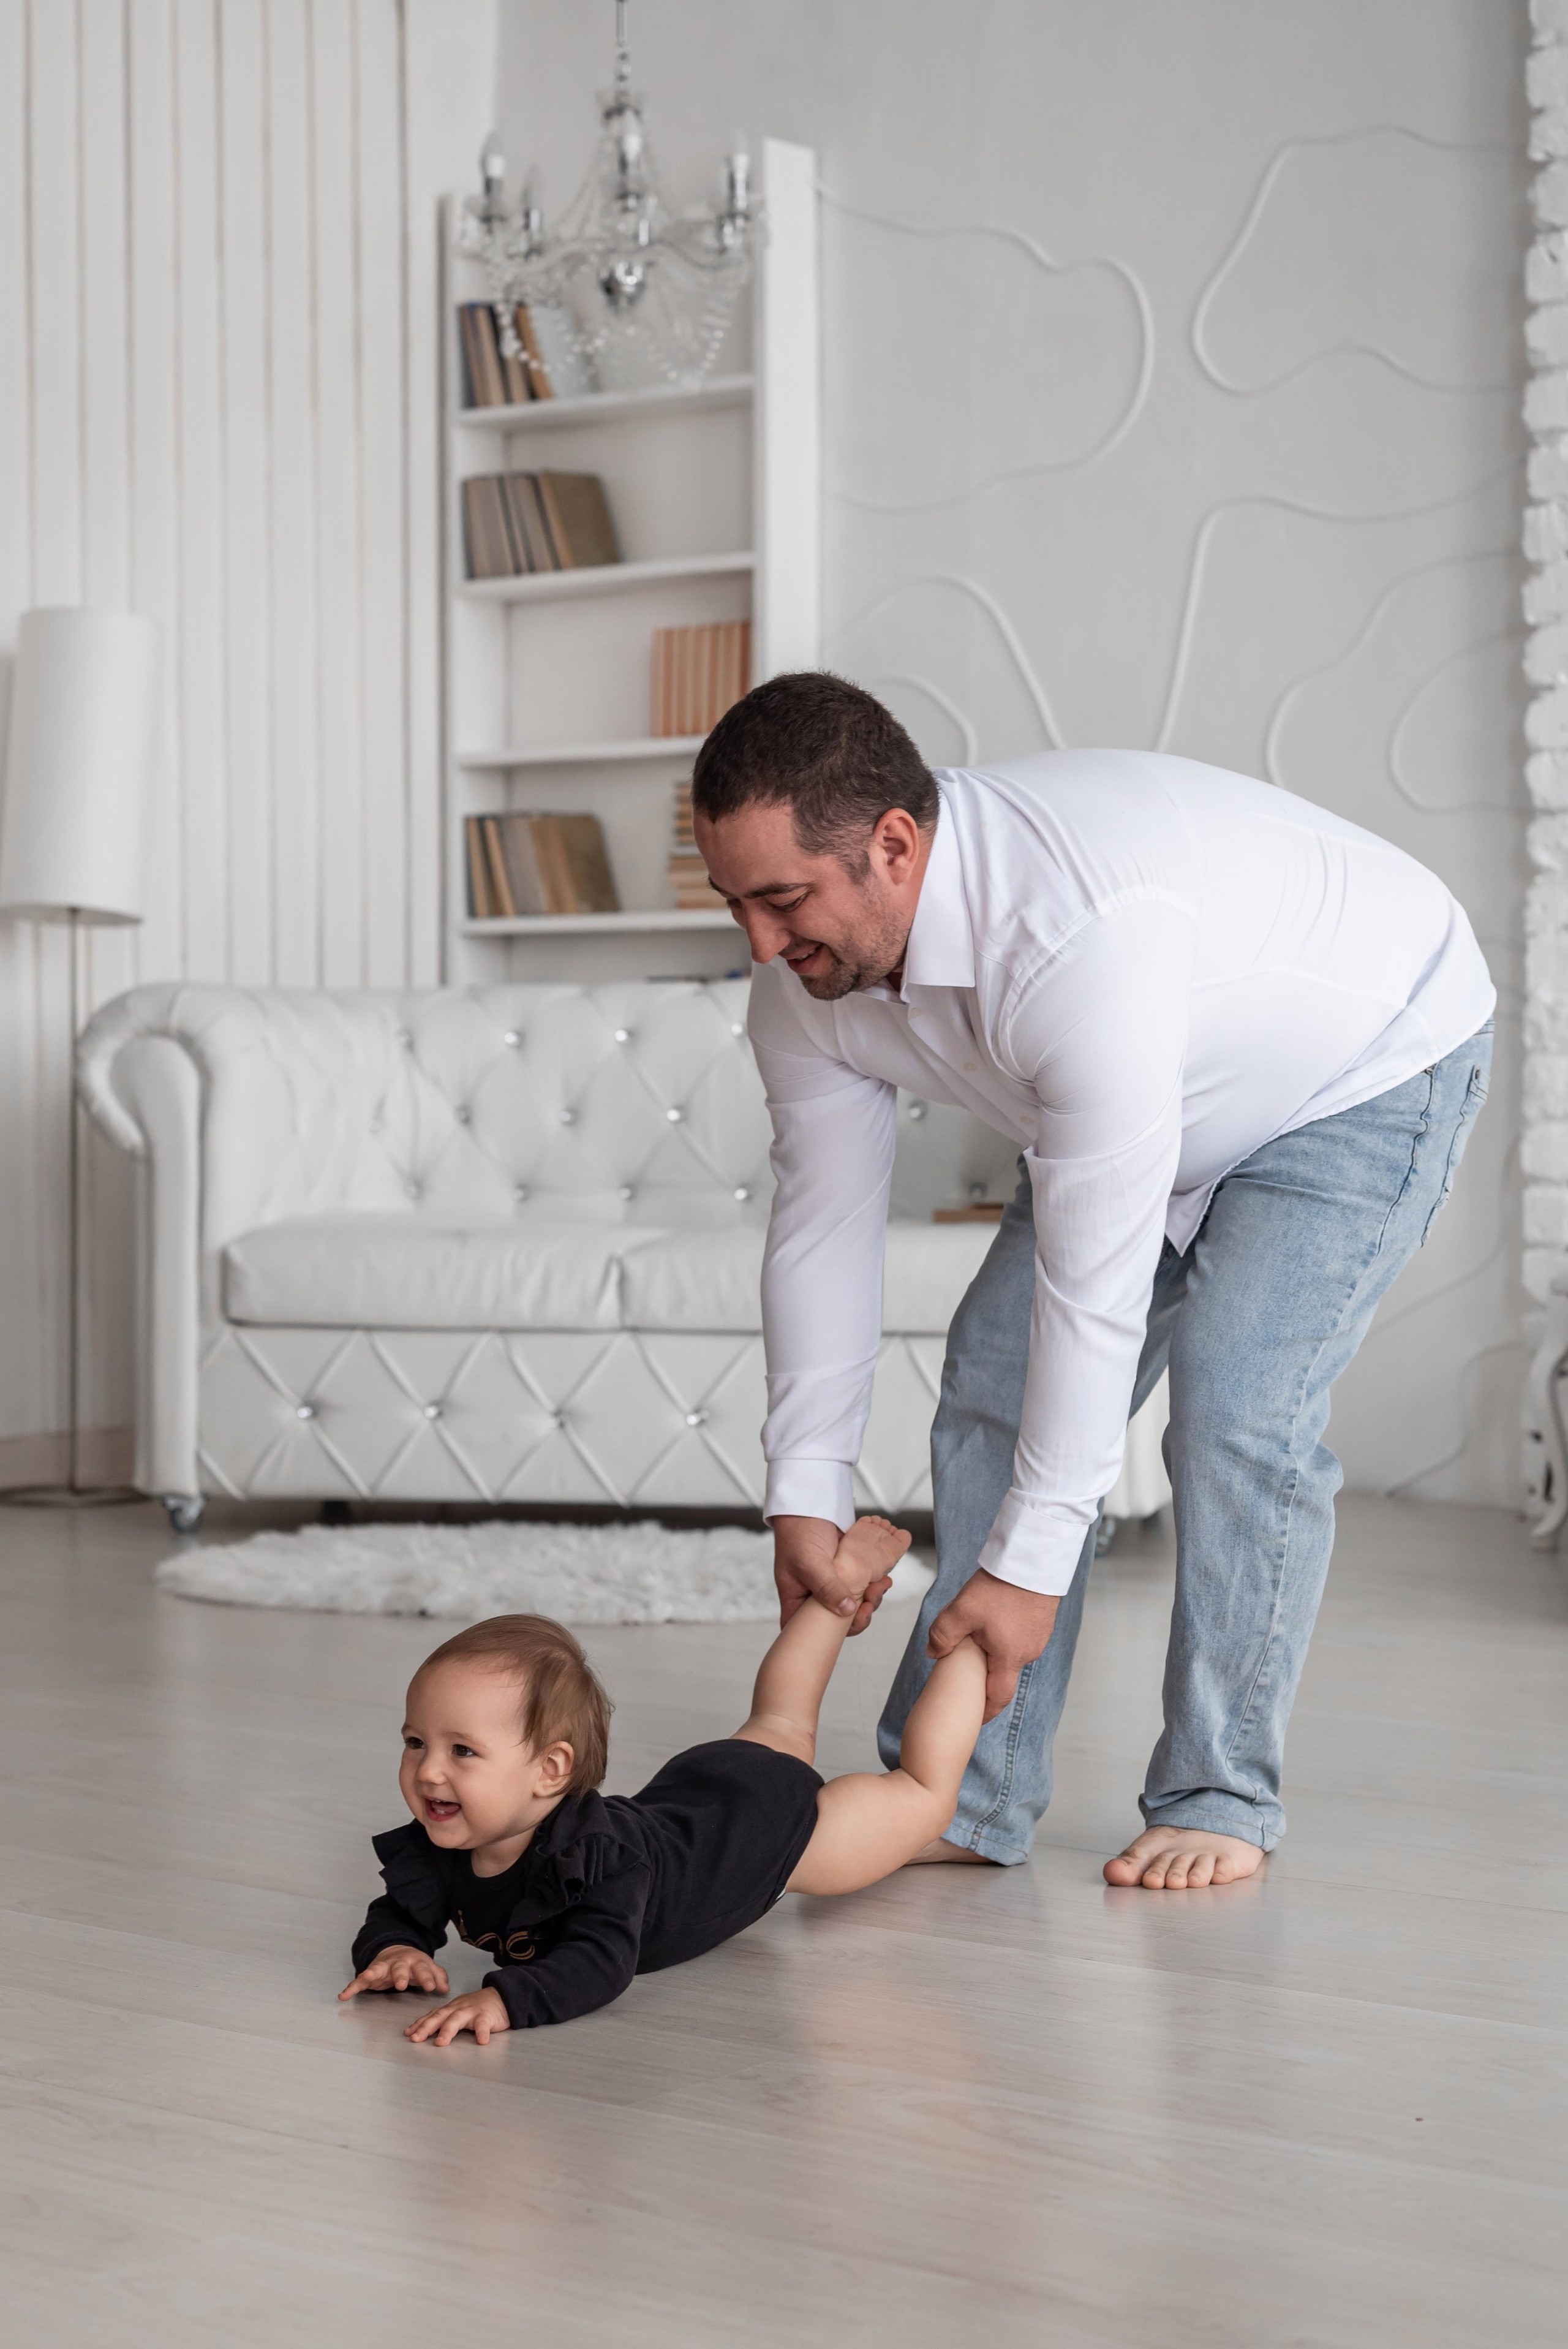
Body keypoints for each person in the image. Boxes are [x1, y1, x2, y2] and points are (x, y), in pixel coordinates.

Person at [690, 673, 1495, 1889]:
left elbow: (1093, 1285)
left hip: (1360, 1061)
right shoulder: (802, 982)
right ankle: (962, 1790)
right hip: (1156, 1075)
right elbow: (822, 1229)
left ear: (893, 845)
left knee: (1235, 1407)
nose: (757, 942)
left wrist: (1029, 1570)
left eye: (783, 899)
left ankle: (1218, 1792)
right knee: (993, 1376)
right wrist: (803, 1489)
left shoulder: (1070, 936)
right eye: (734, 903)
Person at [338, 1516, 984, 2044]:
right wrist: (395, 1949)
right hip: (705, 1784)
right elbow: (399, 1911)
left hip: (770, 1843)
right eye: (416, 1743)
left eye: (462, 1751)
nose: (429, 1771)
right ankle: (841, 1584)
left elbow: (601, 1962)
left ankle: (971, 1642)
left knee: (924, 1795)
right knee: (780, 1717)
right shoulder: (443, 1838)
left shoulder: (592, 1862)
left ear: (551, 1770)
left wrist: (506, 2000)